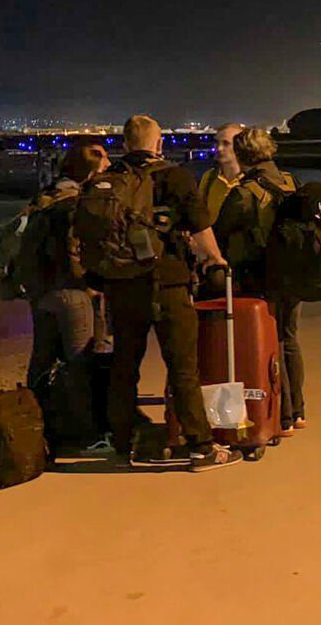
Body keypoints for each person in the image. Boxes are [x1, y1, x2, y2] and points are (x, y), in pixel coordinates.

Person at [101, 115, 240, 471]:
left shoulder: (109, 180)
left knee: (124, 365)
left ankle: (121, 441)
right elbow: (201, 228)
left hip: (122, 286)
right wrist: (217, 259)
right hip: (168, 284)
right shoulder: (174, 177)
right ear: (159, 143)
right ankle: (200, 447)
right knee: (183, 369)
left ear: (125, 144)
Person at [213, 127, 307, 435]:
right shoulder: (291, 181)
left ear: (242, 155)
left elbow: (219, 231)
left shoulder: (245, 193)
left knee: (271, 342)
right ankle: (299, 410)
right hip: (294, 273)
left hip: (262, 276)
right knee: (289, 338)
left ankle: (283, 416)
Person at [26, 141, 111, 452]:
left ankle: (36, 423)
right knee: (80, 363)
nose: (108, 169)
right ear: (89, 171)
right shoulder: (76, 202)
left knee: (42, 359)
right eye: (103, 165)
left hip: (41, 290)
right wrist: (90, 284)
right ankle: (86, 434)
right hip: (71, 293)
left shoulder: (47, 195)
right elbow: (73, 249)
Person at [198, 122, 244, 224]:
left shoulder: (253, 180)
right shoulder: (209, 178)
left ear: (240, 146)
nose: (219, 148)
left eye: (226, 143)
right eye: (217, 143)